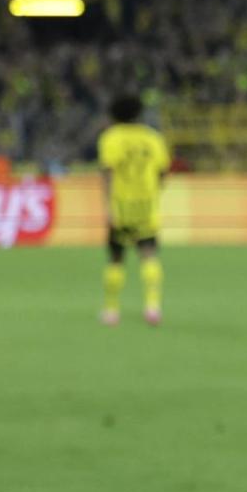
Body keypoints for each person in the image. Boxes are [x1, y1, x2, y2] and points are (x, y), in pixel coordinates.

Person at [96, 95, 171, 326]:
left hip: (121, 206)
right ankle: (153, 307)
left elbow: (108, 172)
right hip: (146, 205)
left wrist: (108, 204)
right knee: (148, 253)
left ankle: (111, 310)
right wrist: (154, 192)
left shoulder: (111, 137)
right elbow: (162, 171)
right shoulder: (153, 137)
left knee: (116, 258)